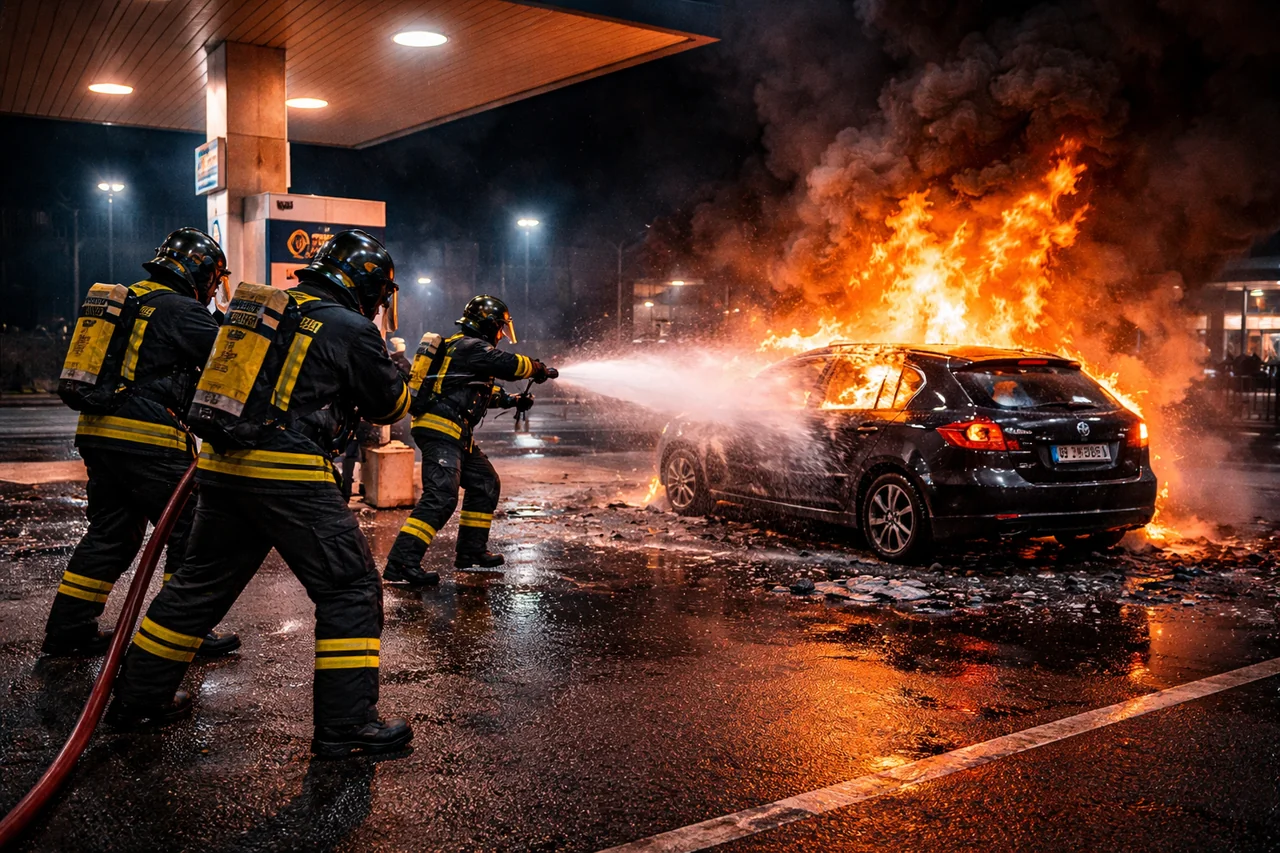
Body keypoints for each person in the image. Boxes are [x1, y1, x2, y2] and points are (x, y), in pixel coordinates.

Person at [109, 230, 414, 759]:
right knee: (350, 589)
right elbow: (388, 408)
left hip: (223, 470)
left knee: (197, 586)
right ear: (368, 287)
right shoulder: (352, 327)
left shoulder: (263, 311)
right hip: (290, 473)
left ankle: (138, 699)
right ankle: (346, 727)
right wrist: (396, 369)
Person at [43, 228, 240, 658]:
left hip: (98, 434)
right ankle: (180, 632)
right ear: (204, 274)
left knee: (113, 532)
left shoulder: (132, 299)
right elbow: (231, 360)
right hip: (148, 439)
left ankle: (68, 629)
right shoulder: (182, 311)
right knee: (190, 528)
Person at [383, 295, 554, 586]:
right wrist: (536, 368)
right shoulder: (470, 346)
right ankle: (402, 563)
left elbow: (476, 390)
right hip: (441, 430)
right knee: (441, 497)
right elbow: (506, 363)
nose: (501, 334)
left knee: (485, 482)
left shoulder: (465, 352)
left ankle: (471, 552)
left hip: (456, 432)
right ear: (488, 325)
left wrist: (512, 400)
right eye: (500, 328)